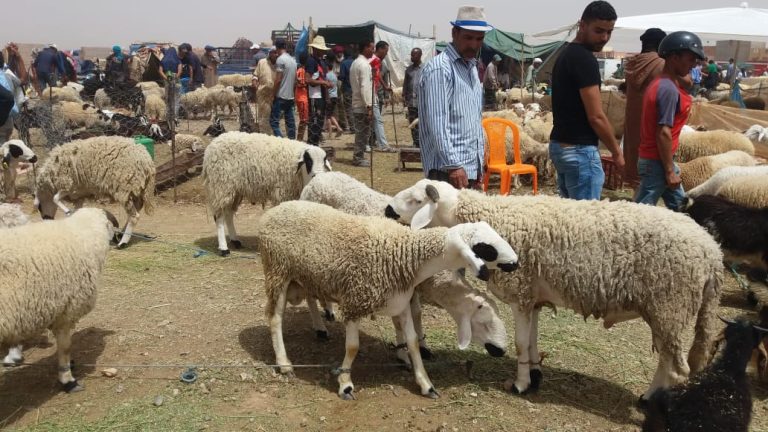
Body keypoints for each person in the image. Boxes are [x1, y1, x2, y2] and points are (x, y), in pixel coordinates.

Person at [548, 1, 624, 200]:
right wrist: (617, 152)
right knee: (587, 218)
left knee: (571, 216)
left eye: (609, 32)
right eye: (599, 31)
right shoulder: (584, 59)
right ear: (582, 25)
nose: (604, 37)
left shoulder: (566, 54)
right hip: (579, 151)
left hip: (561, 146)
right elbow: (596, 116)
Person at [419, 6, 492, 189]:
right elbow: (437, 123)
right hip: (448, 172)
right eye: (468, 37)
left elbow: (473, 118)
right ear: (454, 33)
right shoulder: (440, 69)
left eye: (479, 39)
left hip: (469, 168)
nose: (473, 45)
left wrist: (479, 158)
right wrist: (453, 165)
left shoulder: (471, 68)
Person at [635, 31, 703, 211]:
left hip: (658, 160)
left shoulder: (663, 83)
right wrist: (669, 171)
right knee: (640, 212)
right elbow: (663, 132)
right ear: (674, 57)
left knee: (681, 207)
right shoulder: (668, 89)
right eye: (690, 59)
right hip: (656, 162)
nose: (694, 65)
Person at [622, 27, 666, 185]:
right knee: (650, 162)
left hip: (632, 119)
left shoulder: (632, 63)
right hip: (651, 120)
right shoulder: (661, 65)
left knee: (633, 152)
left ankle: (635, 184)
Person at [350, 40, 375, 167]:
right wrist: (369, 106)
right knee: (362, 133)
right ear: (365, 48)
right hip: (362, 104)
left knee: (362, 132)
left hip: (358, 102)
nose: (373, 51)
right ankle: (358, 157)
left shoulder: (355, 63)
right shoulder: (364, 65)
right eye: (371, 48)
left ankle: (359, 156)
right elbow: (365, 87)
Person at [306, 36, 332, 145]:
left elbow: (322, 78)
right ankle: (311, 146)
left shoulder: (321, 62)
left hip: (321, 97)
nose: (323, 51)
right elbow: (308, 79)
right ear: (315, 49)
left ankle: (315, 145)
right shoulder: (311, 61)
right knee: (314, 124)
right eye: (321, 49)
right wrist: (323, 83)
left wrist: (327, 94)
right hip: (314, 96)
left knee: (319, 124)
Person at [369, 41, 395, 152]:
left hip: (374, 93)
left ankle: (368, 143)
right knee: (377, 120)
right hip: (369, 93)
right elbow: (374, 75)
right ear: (380, 49)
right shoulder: (373, 60)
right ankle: (383, 145)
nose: (386, 54)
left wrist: (385, 87)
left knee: (372, 119)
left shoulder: (379, 62)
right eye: (386, 51)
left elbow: (378, 75)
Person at [270, 39, 297, 138]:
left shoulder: (280, 60)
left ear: (277, 48)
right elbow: (295, 80)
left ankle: (281, 142)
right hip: (290, 96)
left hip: (281, 96)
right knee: (290, 122)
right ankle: (292, 141)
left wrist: (273, 94)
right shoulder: (293, 60)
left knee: (274, 122)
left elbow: (278, 80)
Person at [252, 47, 278, 134]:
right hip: (263, 93)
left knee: (274, 116)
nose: (276, 55)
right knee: (263, 115)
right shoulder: (262, 62)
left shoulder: (280, 64)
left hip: (275, 94)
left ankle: (273, 134)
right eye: (274, 53)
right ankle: (263, 134)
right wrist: (254, 81)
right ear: (270, 53)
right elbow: (255, 75)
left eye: (277, 53)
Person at [402, 47, 423, 147]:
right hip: (411, 102)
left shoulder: (425, 69)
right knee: (412, 123)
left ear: (420, 55)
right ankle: (415, 142)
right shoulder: (408, 70)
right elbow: (405, 84)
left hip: (422, 102)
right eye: (411, 55)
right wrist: (404, 97)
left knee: (422, 123)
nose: (412, 57)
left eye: (414, 55)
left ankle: (422, 142)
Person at [338, 47, 356, 134]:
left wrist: (337, 76)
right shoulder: (355, 62)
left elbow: (342, 76)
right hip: (356, 89)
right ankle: (357, 126)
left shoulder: (343, 63)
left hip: (347, 89)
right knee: (356, 108)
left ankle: (352, 128)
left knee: (348, 108)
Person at [324, 58, 342, 138]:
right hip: (335, 96)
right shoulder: (335, 75)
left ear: (327, 67)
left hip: (330, 96)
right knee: (330, 114)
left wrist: (327, 98)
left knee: (328, 115)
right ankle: (338, 128)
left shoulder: (327, 75)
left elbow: (326, 87)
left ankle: (331, 133)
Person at [295, 53, 310, 141]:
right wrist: (306, 84)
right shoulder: (302, 71)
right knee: (304, 120)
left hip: (301, 97)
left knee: (304, 119)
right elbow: (299, 83)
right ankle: (299, 139)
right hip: (302, 98)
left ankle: (300, 138)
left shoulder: (301, 70)